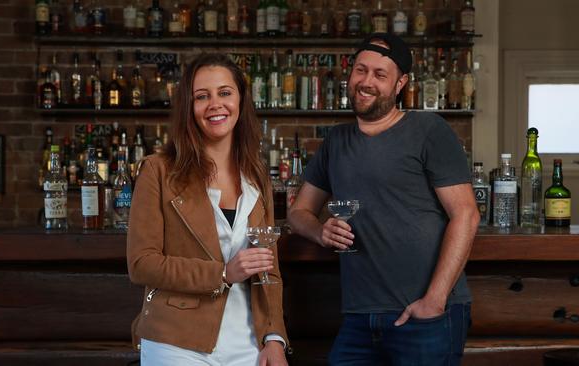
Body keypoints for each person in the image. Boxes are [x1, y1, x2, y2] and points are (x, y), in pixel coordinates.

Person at [287, 33, 480, 366]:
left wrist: (434, 301)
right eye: (360, 70)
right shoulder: (337, 140)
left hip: (423, 316)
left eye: (380, 74)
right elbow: (299, 212)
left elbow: (466, 215)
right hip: (359, 319)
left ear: (400, 83)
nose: (366, 82)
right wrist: (320, 232)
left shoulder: (429, 130)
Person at [127, 53, 288, 366]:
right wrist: (224, 273)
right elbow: (142, 264)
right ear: (189, 107)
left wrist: (274, 338)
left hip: (248, 343)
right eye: (202, 96)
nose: (215, 104)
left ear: (241, 100)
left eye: (225, 93)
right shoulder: (158, 171)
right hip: (176, 340)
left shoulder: (256, 177)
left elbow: (270, 270)